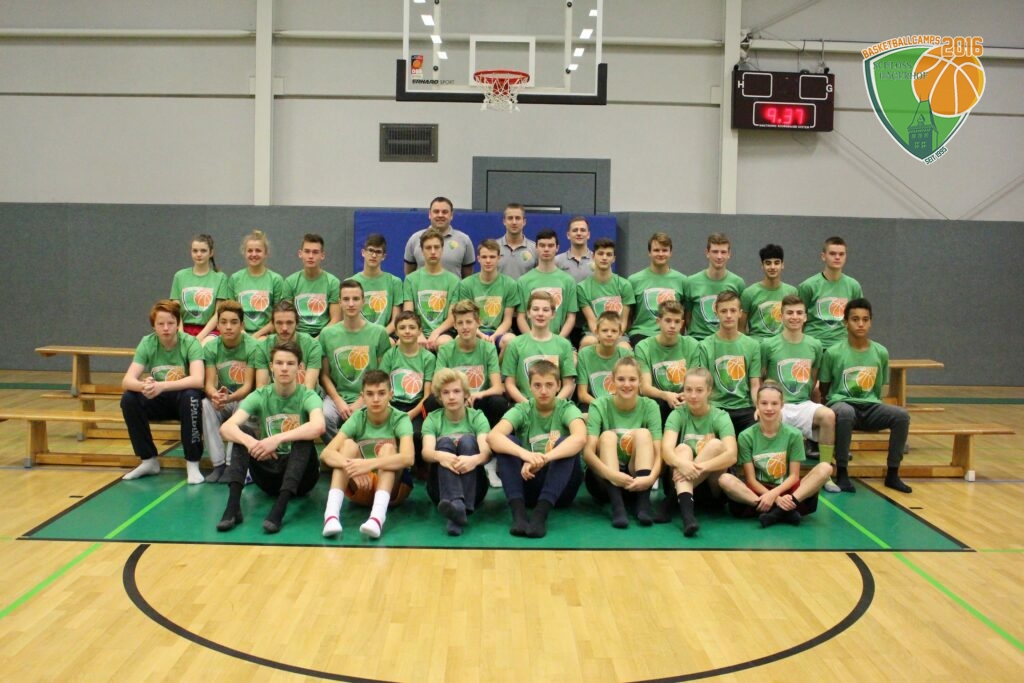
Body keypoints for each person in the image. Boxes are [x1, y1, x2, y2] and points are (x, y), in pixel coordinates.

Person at [215, 340, 325, 533]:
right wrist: (252, 443)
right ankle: (232, 507)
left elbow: (319, 426)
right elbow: (226, 428)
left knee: (303, 438)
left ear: (299, 367)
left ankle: (279, 509)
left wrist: (276, 439)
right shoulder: (260, 395)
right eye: (279, 363)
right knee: (243, 433)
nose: (284, 368)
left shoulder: (308, 396)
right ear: (271, 366)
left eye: (290, 363)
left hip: (302, 479)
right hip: (268, 474)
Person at [820, 298, 913, 494]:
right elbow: (824, 389)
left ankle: (893, 473)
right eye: (855, 319)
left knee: (901, 415)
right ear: (845, 322)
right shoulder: (833, 353)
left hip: (869, 407)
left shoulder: (881, 352)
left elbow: (878, 386)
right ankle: (842, 472)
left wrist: (871, 405)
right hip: (842, 405)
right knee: (845, 412)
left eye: (865, 319)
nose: (860, 324)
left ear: (870, 322)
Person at [488, 360, 587, 538]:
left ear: (558, 386)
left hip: (562, 490)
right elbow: (493, 437)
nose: (543, 391)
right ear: (530, 387)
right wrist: (526, 455)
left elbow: (580, 438)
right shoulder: (522, 409)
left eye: (549, 385)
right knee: (507, 442)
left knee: (566, 443)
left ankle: (540, 514)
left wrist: (544, 459)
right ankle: (518, 514)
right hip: (529, 483)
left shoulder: (567, 408)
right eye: (538, 385)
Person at [718, 383, 834, 526]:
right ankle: (785, 511)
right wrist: (775, 498)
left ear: (782, 405)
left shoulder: (794, 435)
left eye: (774, 403)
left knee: (825, 468)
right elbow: (751, 480)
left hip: (787, 491)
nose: (769, 408)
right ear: (757, 405)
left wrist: (775, 495)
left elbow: (794, 476)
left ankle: (775, 513)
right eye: (764, 403)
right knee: (725, 479)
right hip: (759, 492)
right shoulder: (746, 436)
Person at [321, 370, 415, 539]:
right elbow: (326, 453)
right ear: (362, 396)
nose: (376, 399)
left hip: (393, 491)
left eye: (381, 393)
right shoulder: (358, 417)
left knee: (387, 449)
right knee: (347, 446)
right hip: (362, 487)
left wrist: (368, 465)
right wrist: (352, 467)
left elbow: (408, 458)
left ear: (391, 395)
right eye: (370, 394)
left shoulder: (400, 418)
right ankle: (331, 517)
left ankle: (376, 519)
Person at [761, 295, 841, 493]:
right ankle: (775, 474)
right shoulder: (768, 345)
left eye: (799, 313)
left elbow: (813, 378)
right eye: (789, 313)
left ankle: (825, 472)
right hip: (779, 405)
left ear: (806, 317)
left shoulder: (815, 345)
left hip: (803, 404)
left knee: (828, 415)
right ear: (781, 316)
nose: (794, 317)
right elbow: (762, 377)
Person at [120, 300, 205, 484]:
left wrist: (162, 386)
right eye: (161, 324)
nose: (166, 328)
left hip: (182, 399)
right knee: (129, 399)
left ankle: (192, 463)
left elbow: (198, 380)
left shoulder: (190, 343)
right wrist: (145, 386)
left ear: (178, 324)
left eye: (171, 323)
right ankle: (148, 460)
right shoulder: (147, 343)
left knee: (192, 396)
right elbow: (127, 380)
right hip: (158, 399)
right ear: (154, 326)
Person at [582, 357, 662, 528]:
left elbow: (659, 452)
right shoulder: (599, 405)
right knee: (607, 436)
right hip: (604, 482)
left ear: (640, 381)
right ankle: (618, 508)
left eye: (632, 379)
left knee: (643, 434)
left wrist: (651, 478)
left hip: (637, 481)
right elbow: (588, 452)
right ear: (612, 380)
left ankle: (643, 505)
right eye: (621, 379)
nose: (627, 384)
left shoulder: (650, 406)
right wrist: (611, 474)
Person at [659, 368, 738, 536]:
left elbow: (732, 455)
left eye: (699, 390)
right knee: (682, 449)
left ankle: (670, 501)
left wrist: (699, 467)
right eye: (688, 390)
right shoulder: (678, 414)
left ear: (709, 391)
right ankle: (688, 518)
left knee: (716, 445)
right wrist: (682, 464)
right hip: (680, 483)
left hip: (711, 489)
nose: (693, 395)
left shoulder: (720, 416)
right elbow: (666, 450)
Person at [421, 368, 492, 536]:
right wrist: (440, 456)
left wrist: (473, 460)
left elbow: (487, 452)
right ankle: (458, 506)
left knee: (467, 440)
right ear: (439, 397)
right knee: (444, 442)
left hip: (475, 489)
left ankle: (456, 509)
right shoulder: (433, 419)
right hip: (440, 491)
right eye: (445, 392)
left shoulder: (477, 417)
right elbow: (426, 452)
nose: (451, 397)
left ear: (466, 394)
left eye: (456, 391)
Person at [319, 280, 391, 441]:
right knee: (324, 416)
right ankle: (340, 451)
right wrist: (338, 400)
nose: (351, 304)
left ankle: (356, 451)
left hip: (370, 395)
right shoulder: (326, 334)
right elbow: (324, 375)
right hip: (338, 397)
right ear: (339, 302)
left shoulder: (379, 333)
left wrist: (362, 400)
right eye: (346, 299)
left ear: (363, 301)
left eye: (356, 299)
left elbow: (383, 374)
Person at [200, 300, 261, 483]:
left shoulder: (253, 346)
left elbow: (248, 386)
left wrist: (229, 398)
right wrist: (215, 395)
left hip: (242, 398)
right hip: (224, 399)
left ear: (242, 325)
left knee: (244, 403)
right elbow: (209, 383)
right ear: (217, 325)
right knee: (205, 404)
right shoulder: (211, 347)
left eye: (234, 322)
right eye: (224, 322)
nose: (228, 327)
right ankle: (218, 464)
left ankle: (231, 464)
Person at [434, 300, 510, 427]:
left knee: (498, 402)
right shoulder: (445, 350)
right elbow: (437, 386)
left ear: (478, 322)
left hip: (479, 400)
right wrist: (459, 398)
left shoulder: (488, 348)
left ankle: (491, 435)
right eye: (460, 323)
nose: (465, 327)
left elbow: (497, 388)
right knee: (432, 401)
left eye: (469, 322)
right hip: (453, 400)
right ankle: (444, 430)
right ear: (455, 325)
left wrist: (476, 395)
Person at [698, 291, 762, 434]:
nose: (728, 315)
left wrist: (759, 407)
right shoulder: (705, 345)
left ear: (740, 313)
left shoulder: (753, 345)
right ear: (716, 313)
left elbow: (755, 385)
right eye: (723, 311)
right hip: (716, 408)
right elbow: (704, 384)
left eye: (733, 310)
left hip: (744, 408)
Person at [380, 310, 435, 466]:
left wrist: (410, 414)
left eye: (412, 327)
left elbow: (427, 395)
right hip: (392, 406)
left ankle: (418, 468)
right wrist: (391, 409)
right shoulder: (390, 355)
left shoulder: (428, 358)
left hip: (416, 407)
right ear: (396, 331)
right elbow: (382, 387)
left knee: (417, 434)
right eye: (402, 328)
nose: (407, 331)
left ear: (420, 331)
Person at [503, 290, 576, 404]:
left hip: (555, 405)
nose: (540, 314)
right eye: (535, 309)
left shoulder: (564, 344)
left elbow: (568, 384)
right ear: (528, 313)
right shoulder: (515, 344)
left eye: (545, 310)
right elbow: (509, 383)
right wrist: (528, 405)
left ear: (553, 314)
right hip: (525, 404)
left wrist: (553, 404)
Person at [636, 300, 702, 423]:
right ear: (658, 321)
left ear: (682, 324)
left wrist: (684, 396)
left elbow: (693, 382)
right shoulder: (643, 347)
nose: (672, 326)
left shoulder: (692, 345)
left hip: (684, 400)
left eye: (677, 321)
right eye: (668, 320)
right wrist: (665, 395)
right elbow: (644, 388)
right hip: (657, 402)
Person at [798, 236, 864, 350]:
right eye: (832, 254)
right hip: (814, 346)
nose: (837, 257)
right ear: (823, 256)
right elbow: (798, 319)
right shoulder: (808, 286)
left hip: (842, 346)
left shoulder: (853, 286)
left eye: (841, 254)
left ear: (846, 257)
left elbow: (859, 319)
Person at [455, 239, 519, 353]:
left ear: (498, 258)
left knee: (511, 340)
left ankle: (499, 365)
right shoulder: (466, 284)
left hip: (499, 333)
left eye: (492, 257)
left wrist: (494, 336)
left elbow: (507, 320)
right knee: (458, 339)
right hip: (474, 331)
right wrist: (481, 335)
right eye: (484, 257)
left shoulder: (510, 284)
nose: (488, 261)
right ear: (478, 259)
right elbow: (465, 317)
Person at [626, 232, 687, 349]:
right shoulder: (634, 280)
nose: (660, 254)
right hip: (642, 334)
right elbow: (628, 316)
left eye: (664, 250)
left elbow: (685, 314)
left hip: (672, 335)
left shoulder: (682, 280)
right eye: (656, 250)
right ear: (649, 252)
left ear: (670, 253)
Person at [516, 229, 579, 340]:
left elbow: (571, 317)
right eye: (542, 245)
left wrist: (557, 341)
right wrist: (532, 340)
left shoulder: (568, 281)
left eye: (550, 245)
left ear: (557, 248)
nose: (546, 249)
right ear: (536, 248)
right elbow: (521, 317)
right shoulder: (523, 281)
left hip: (560, 341)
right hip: (531, 342)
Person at [403, 228, 460, 351]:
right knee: (402, 344)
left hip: (444, 332)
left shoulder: (454, 281)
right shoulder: (410, 280)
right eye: (428, 248)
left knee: (445, 343)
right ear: (422, 251)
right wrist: (419, 334)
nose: (433, 251)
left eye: (436, 247)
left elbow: (452, 318)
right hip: (417, 331)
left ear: (442, 249)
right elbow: (408, 313)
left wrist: (436, 333)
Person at [684, 233, 746, 341]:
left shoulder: (738, 283)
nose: (719, 257)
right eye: (715, 252)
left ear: (729, 254)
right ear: (707, 253)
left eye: (723, 252)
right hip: (698, 341)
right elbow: (687, 316)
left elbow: (740, 317)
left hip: (726, 341)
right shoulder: (691, 282)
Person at [169, 233, 229, 342]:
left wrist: (198, 339)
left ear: (211, 253)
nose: (199, 254)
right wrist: (181, 335)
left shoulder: (221, 278)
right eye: (195, 251)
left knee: (202, 348)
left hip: (209, 331)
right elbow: (175, 310)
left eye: (203, 251)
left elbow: (218, 314)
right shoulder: (179, 276)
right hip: (183, 329)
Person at [577, 238, 635, 349]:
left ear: (614, 259)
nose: (604, 257)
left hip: (618, 334)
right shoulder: (582, 287)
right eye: (600, 254)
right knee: (589, 342)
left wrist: (614, 336)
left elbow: (624, 321)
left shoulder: (625, 285)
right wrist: (603, 337)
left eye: (609, 254)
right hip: (593, 333)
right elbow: (591, 321)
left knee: (624, 347)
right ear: (593, 256)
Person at [228, 230, 288, 339]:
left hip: (266, 335)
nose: (254, 254)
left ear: (266, 253)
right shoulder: (235, 279)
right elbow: (230, 313)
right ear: (244, 253)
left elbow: (278, 317)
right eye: (250, 251)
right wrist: (242, 333)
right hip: (239, 335)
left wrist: (256, 336)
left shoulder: (276, 279)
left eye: (258, 251)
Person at [254, 300, 321, 391]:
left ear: (297, 323)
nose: (284, 328)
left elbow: (308, 389)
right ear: (273, 324)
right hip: (276, 397)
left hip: (306, 397)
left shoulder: (312, 345)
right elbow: (261, 388)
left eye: (289, 323)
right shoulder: (263, 347)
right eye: (279, 323)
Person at [283, 233, 341, 337]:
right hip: (297, 336)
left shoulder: (333, 283)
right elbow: (286, 318)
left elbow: (335, 319)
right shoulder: (290, 282)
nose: (310, 256)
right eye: (307, 251)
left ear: (322, 255)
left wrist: (318, 339)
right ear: (300, 254)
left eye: (315, 252)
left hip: (323, 336)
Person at [403, 196, 475, 277]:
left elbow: (467, 278)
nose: (440, 215)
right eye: (436, 211)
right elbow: (409, 275)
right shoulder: (415, 239)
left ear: (451, 215)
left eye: (445, 212)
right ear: (430, 214)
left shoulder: (464, 240)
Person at [576, 312, 633, 413]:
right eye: (604, 330)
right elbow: (582, 394)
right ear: (596, 332)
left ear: (620, 334)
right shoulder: (584, 355)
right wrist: (602, 406)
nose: (609, 334)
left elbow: (633, 389)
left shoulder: (626, 355)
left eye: (614, 331)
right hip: (593, 403)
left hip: (620, 403)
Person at [739, 243, 798, 339]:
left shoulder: (792, 292)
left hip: (782, 345)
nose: (772, 267)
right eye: (768, 263)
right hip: (757, 345)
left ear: (782, 265)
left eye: (777, 263)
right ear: (762, 265)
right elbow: (740, 329)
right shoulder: (749, 293)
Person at [351, 233, 404, 336]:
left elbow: (396, 320)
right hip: (357, 336)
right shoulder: (351, 283)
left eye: (378, 252)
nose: (374, 255)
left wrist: (378, 336)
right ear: (363, 252)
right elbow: (347, 318)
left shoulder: (394, 282)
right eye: (370, 250)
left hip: (385, 336)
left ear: (383, 256)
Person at [496, 203, 537, 279]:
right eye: (510, 218)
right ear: (504, 221)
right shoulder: (494, 247)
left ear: (524, 222)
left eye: (517, 218)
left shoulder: (535, 249)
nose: (514, 222)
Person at [554, 216, 594, 283]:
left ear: (588, 235)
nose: (579, 233)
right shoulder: (557, 261)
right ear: (568, 235)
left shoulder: (597, 260)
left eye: (582, 230)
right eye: (575, 230)